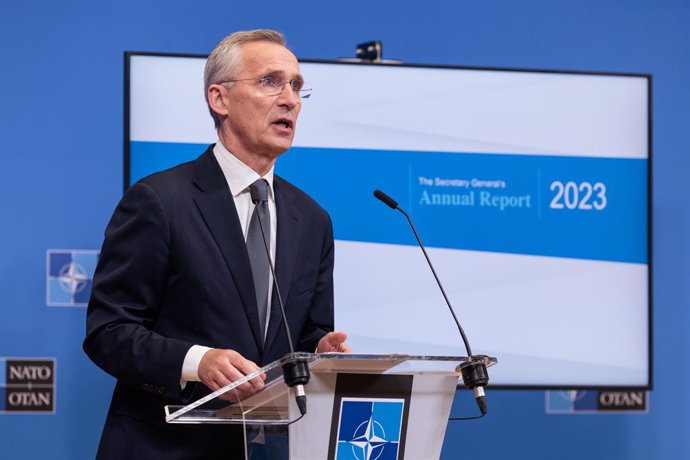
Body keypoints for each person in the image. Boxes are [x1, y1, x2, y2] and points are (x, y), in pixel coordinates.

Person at [84, 29, 350, 460]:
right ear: (219, 99)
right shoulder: (160, 201)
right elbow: (109, 333)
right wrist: (197, 361)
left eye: (297, 86)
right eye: (270, 82)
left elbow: (304, 334)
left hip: (272, 448)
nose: (291, 100)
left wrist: (320, 352)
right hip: (167, 447)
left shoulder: (312, 219)